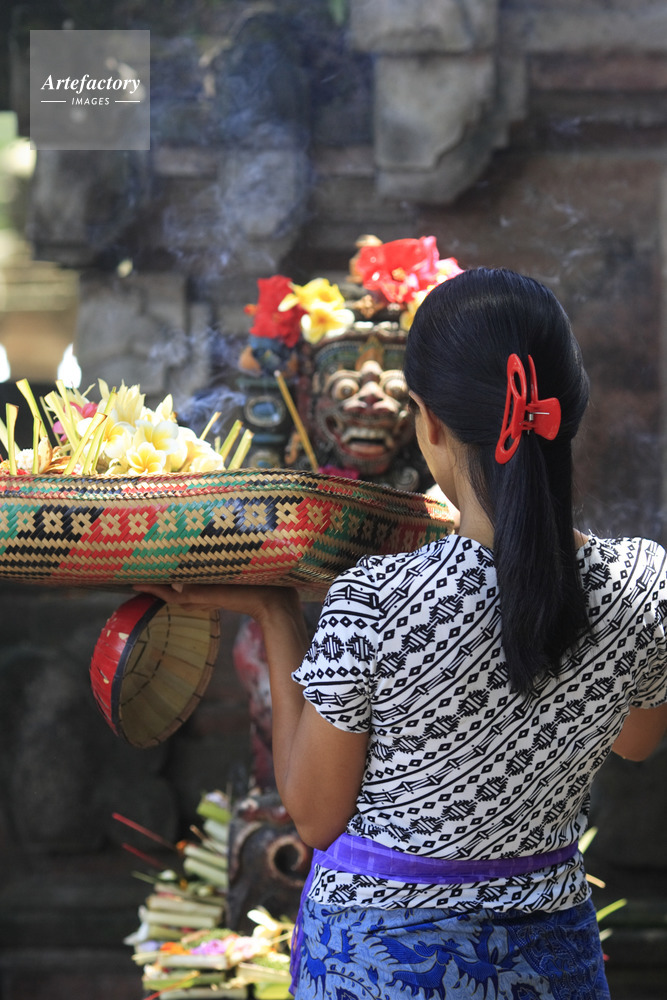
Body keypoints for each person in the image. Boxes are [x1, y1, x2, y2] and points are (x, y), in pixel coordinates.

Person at [138, 267, 667, 999]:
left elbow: (314, 817)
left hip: (379, 969)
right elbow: (636, 738)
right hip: (550, 967)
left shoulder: (378, 601)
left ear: (429, 424)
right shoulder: (645, 583)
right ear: (567, 411)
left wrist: (277, 614)